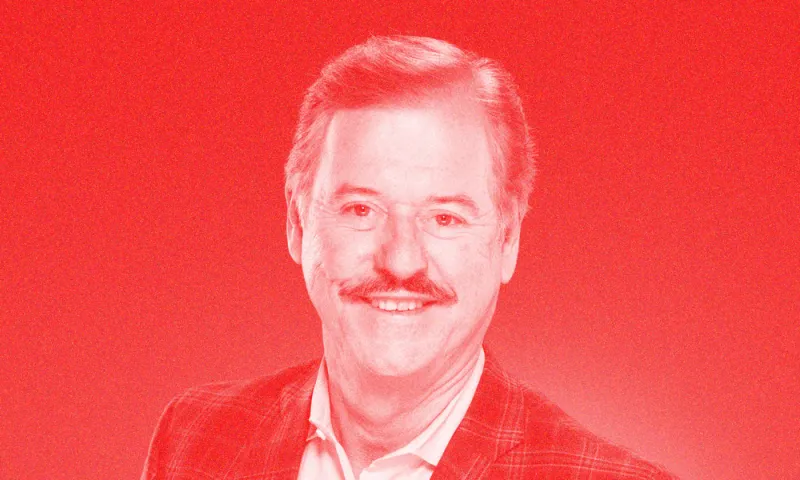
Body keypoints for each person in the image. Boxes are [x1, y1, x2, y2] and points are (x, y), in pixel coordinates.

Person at [141, 35, 677, 480]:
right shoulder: (194, 441)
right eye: (361, 209)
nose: (400, 262)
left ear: (508, 239)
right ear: (297, 224)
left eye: (444, 218)